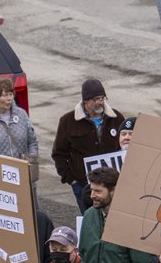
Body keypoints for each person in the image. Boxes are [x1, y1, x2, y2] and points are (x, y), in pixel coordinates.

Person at [51, 77, 125, 212]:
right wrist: (72, 180)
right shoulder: (68, 121)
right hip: (84, 186)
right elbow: (59, 153)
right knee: (90, 220)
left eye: (102, 98)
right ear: (86, 101)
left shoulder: (116, 118)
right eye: (96, 99)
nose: (100, 103)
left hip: (113, 185)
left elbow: (125, 147)